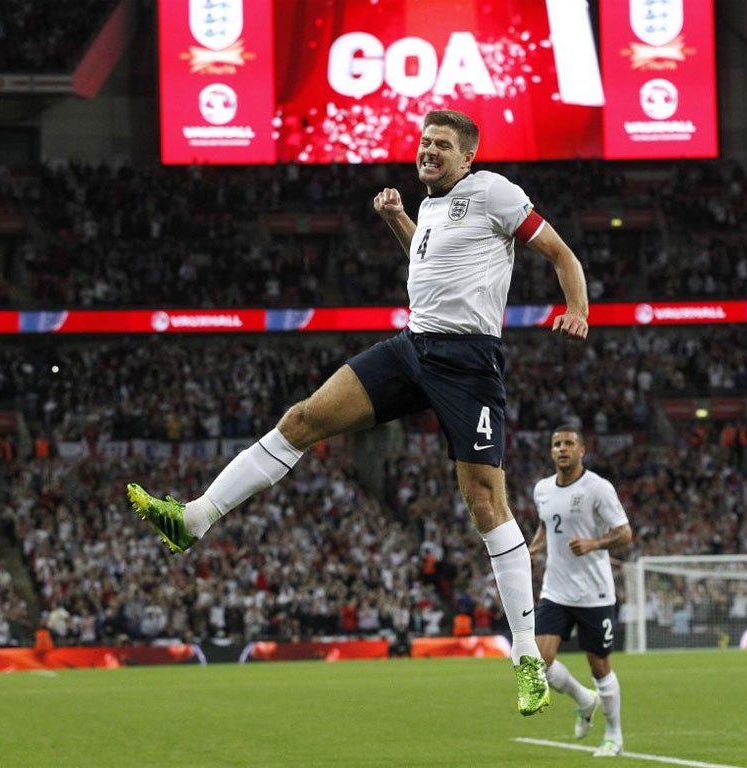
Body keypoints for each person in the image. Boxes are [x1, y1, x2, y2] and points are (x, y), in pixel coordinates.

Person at [127, 109, 590, 715]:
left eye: (442, 146)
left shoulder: (495, 193)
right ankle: (192, 520)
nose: (428, 152)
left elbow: (561, 254)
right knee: (301, 420)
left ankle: (526, 655)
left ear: (468, 157)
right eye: (425, 142)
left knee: (485, 502)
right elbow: (425, 267)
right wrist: (399, 220)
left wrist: (577, 308)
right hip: (411, 346)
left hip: (469, 362)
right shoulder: (427, 206)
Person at [528, 425, 632, 757]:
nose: (562, 448)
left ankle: (614, 736)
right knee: (538, 662)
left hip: (594, 593)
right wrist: (531, 550)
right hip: (556, 590)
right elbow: (546, 526)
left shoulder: (597, 488)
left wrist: (594, 543)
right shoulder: (542, 489)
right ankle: (584, 700)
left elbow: (625, 533)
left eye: (569, 443)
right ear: (551, 451)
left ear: (581, 450)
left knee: (599, 666)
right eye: (557, 444)